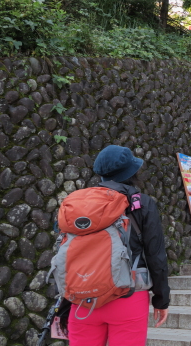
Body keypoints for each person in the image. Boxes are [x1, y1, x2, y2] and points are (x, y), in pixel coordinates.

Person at [67, 145, 170, 346]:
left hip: (83, 300)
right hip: (128, 297)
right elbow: (155, 255)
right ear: (131, 172)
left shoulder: (78, 204)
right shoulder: (141, 203)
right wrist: (161, 299)